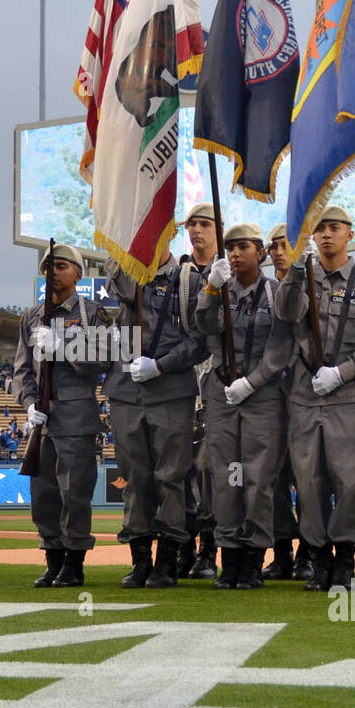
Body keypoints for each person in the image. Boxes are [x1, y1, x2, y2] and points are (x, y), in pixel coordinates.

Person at [274, 206, 355, 591]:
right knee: (308, 482)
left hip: (351, 398)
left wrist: (343, 372)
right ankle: (319, 559)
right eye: (319, 228)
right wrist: (295, 272)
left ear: (349, 235)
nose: (325, 235)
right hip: (305, 397)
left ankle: (345, 557)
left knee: (352, 483)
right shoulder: (301, 278)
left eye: (334, 228)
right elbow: (287, 314)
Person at [104, 233, 206, 588]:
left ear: (170, 233)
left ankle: (167, 561)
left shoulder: (188, 281)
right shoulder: (126, 276)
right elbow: (113, 275)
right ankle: (140, 560)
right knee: (135, 480)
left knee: (170, 478)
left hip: (170, 391)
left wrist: (161, 365)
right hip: (126, 393)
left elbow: (200, 341)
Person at [197, 222, 295, 588]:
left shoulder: (275, 293)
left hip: (262, 398)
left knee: (257, 481)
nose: (236, 253)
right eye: (231, 247)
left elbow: (281, 348)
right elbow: (202, 326)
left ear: (261, 253)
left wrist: (250, 382)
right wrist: (211, 289)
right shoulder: (220, 289)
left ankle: (253, 558)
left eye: (244, 247)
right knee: (228, 478)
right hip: (223, 397)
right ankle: (230, 556)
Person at [14, 244, 112, 588]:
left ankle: (74, 563)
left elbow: (103, 361)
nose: (52, 272)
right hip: (43, 420)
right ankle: (52, 559)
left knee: (75, 494)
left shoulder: (91, 313)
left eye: (60, 265)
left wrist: (65, 347)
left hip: (76, 415)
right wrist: (28, 403)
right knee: (44, 497)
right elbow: (22, 370)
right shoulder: (32, 316)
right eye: (48, 267)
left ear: (78, 273)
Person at [259, 223, 306, 581]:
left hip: (305, 392)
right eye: (273, 246)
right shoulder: (262, 291)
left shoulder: (313, 286)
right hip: (269, 395)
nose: (278, 251)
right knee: (272, 479)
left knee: (309, 478)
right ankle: (282, 551)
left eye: (285, 245)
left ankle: (308, 550)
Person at [177, 202, 221, 579]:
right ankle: (182, 548)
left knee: (208, 470)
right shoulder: (179, 273)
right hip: (180, 378)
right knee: (179, 470)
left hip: (217, 378)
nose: (196, 231)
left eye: (205, 224)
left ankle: (209, 549)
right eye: (192, 224)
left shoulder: (231, 271)